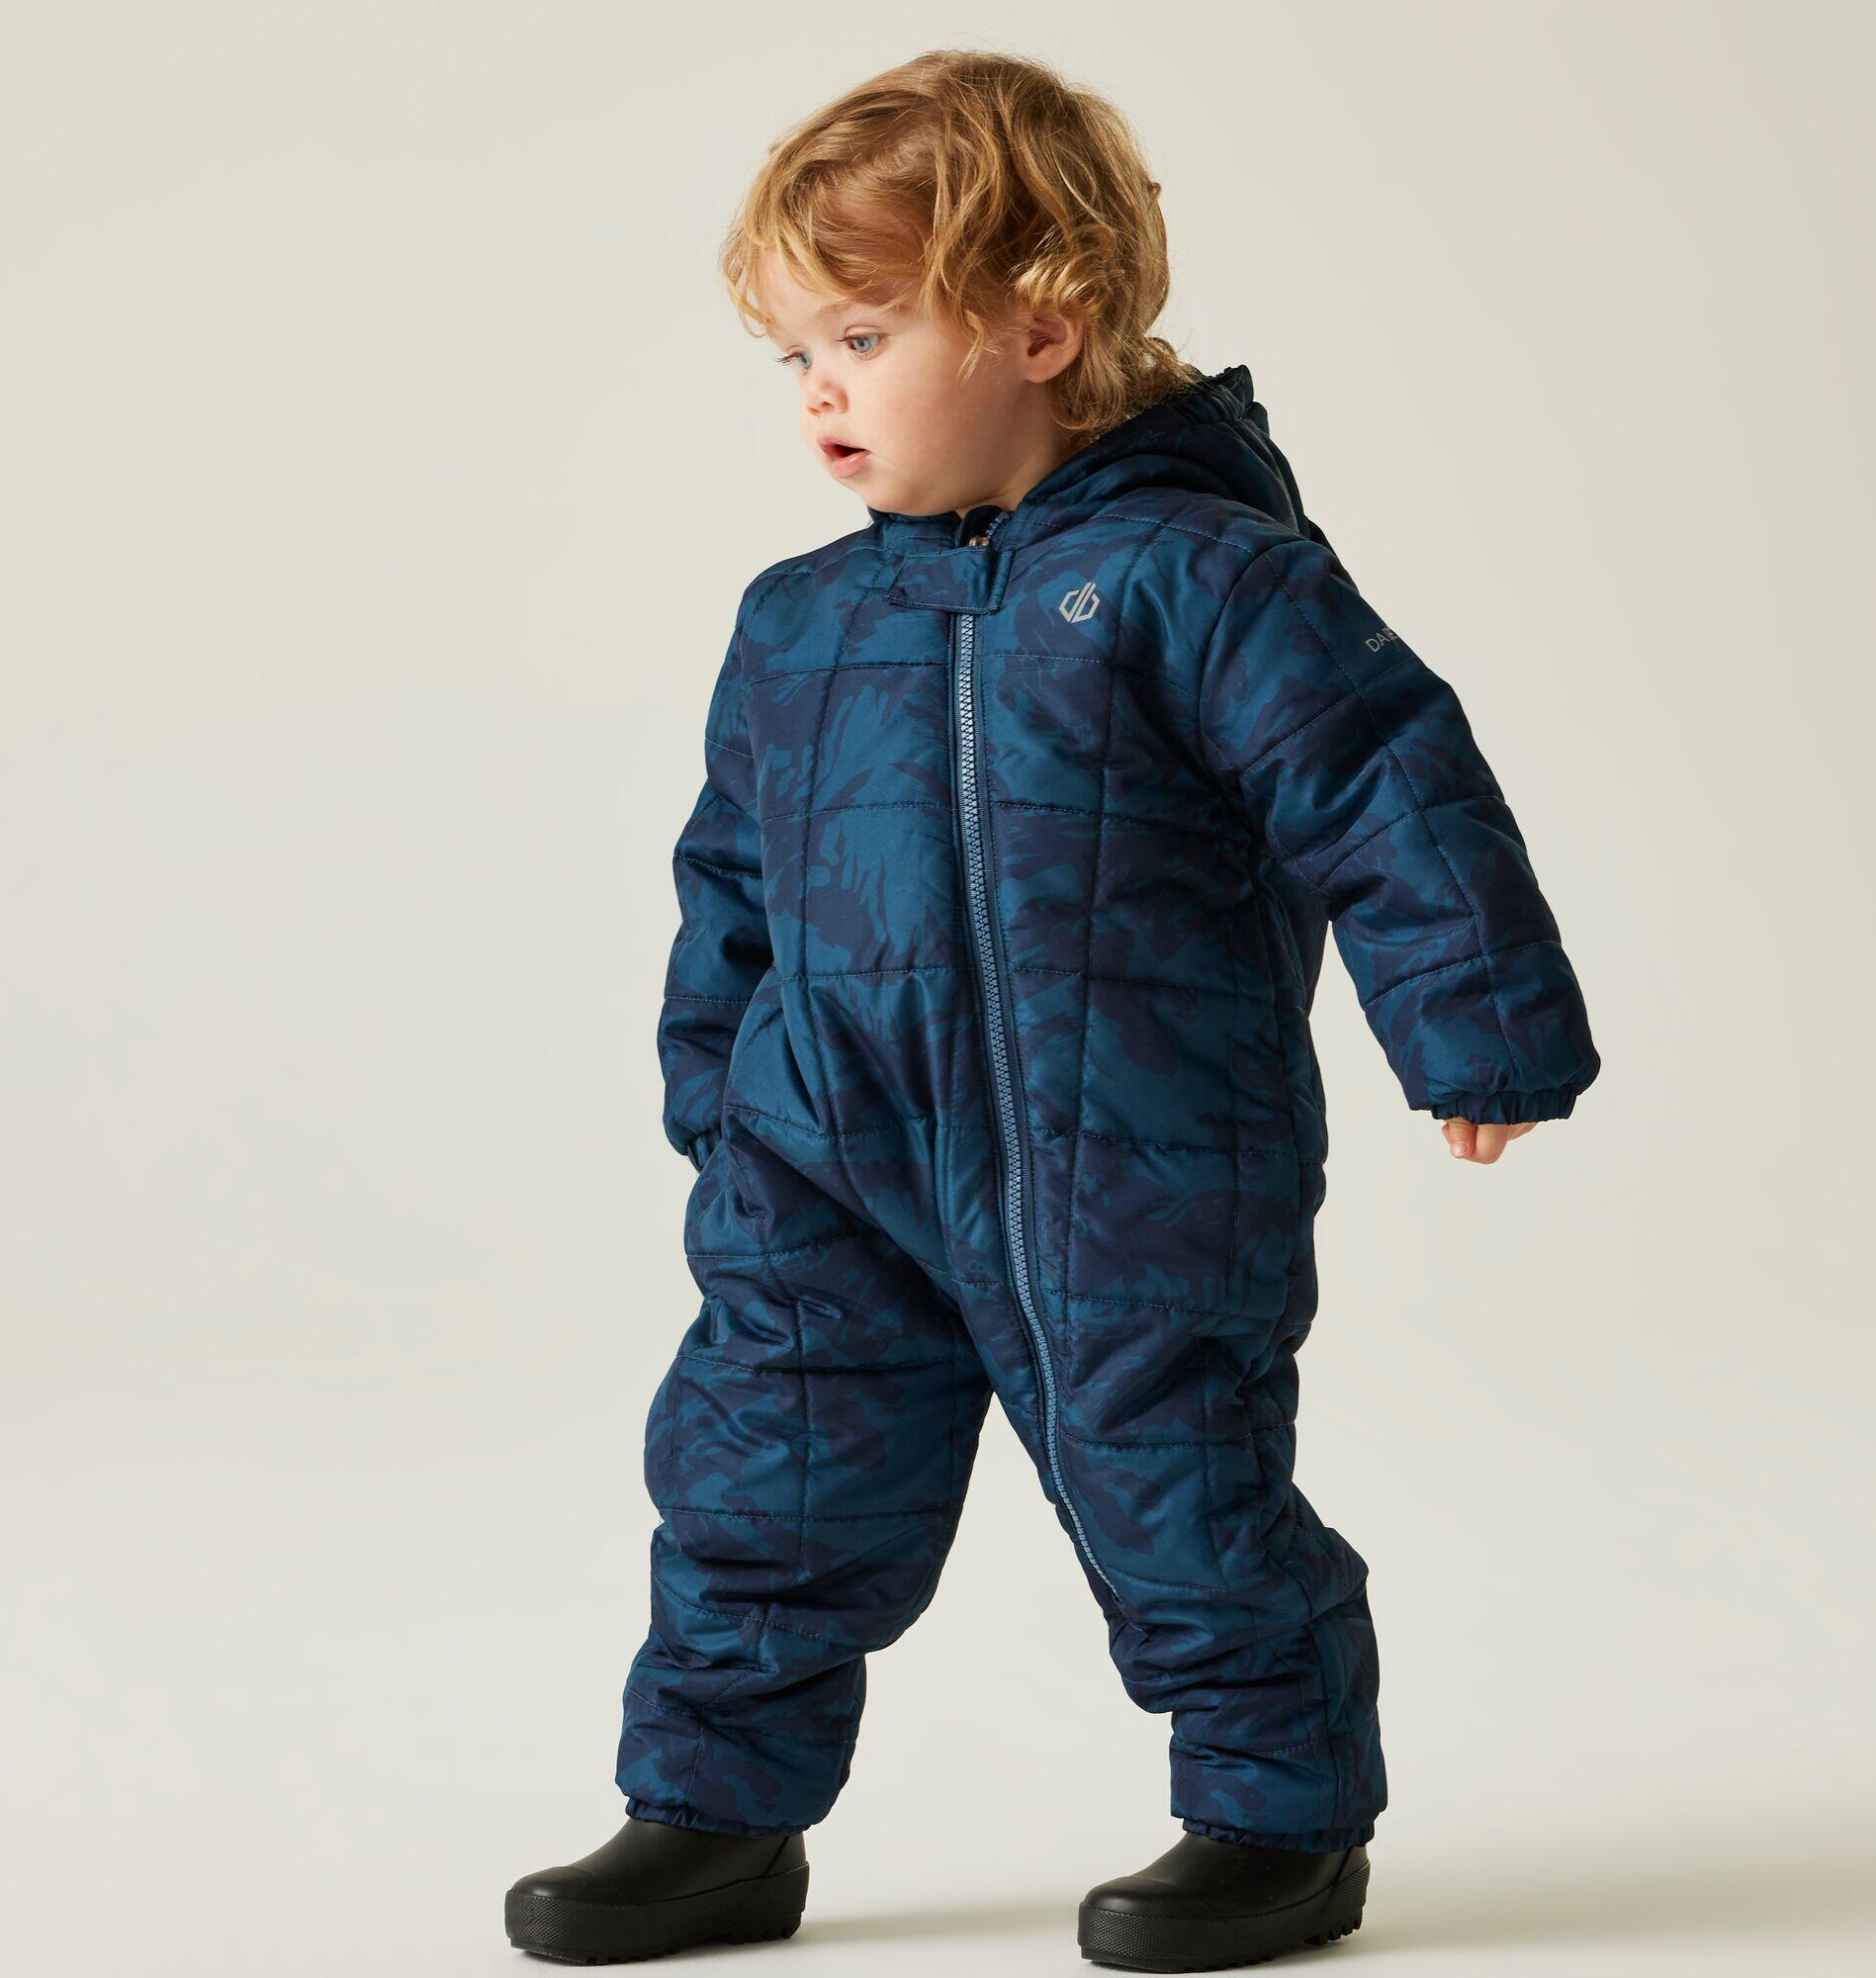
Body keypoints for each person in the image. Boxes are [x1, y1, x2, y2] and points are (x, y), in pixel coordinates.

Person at [505, 45, 1598, 1972]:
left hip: (1128, 1154)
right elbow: (733, 874)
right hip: (827, 1162)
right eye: (794, 353)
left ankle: (1275, 1817)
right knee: (761, 1476)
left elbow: (1382, 782)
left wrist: (1475, 1023)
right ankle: (711, 1814)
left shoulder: (1205, 578)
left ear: (1040, 324)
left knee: (1171, 1477)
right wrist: (718, 1094)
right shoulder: (799, 622)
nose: (819, 389)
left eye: (862, 335)